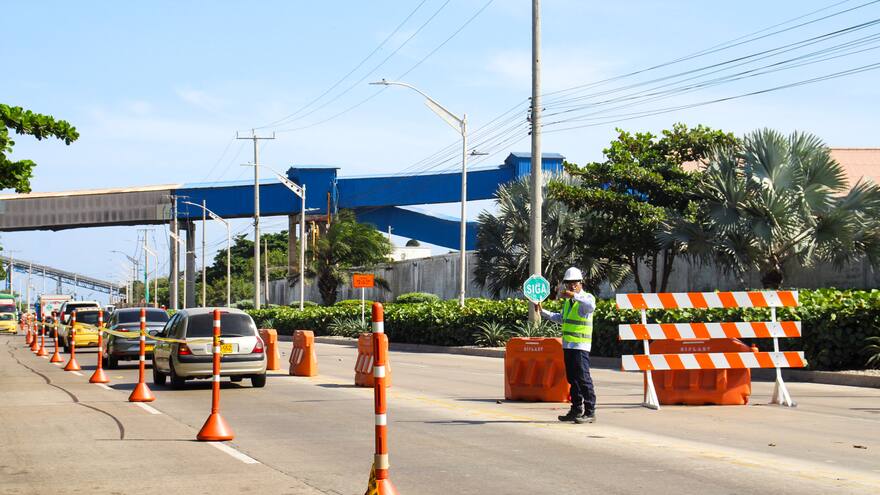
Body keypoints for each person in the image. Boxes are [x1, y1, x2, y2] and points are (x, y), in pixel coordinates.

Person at [534, 267, 596, 424]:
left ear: (580, 283)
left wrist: (574, 296)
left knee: (583, 379)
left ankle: (590, 412)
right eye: (568, 283)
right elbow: (561, 318)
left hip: (580, 346)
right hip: (568, 346)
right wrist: (543, 312)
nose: (571, 286)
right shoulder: (569, 303)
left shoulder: (586, 298)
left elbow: (591, 306)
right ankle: (576, 410)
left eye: (574, 283)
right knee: (572, 379)